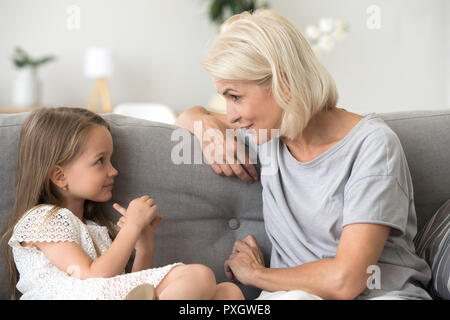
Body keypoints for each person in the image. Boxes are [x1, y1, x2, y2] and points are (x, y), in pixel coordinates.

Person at [175, 9, 432, 300]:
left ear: (284, 83)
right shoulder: (265, 131)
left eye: (235, 96)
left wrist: (255, 274)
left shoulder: (373, 146)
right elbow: (189, 116)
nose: (231, 116)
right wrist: (204, 125)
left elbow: (346, 281)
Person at [0, 107, 244, 300]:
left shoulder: (94, 227)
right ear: (60, 176)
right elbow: (93, 277)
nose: (113, 170)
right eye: (100, 161)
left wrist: (144, 245)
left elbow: (133, 291)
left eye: (111, 160)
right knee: (199, 277)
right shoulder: (42, 219)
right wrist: (130, 229)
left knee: (228, 293)